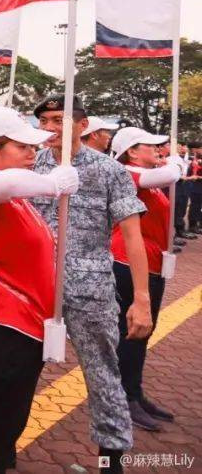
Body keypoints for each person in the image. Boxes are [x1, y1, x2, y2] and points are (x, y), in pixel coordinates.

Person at [0, 107, 79, 474]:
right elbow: (0, 185)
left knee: (7, 430)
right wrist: (53, 183)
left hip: (22, 330)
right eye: (22, 147)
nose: (32, 154)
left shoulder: (13, 194)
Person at [31, 95, 153, 474]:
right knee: (18, 371)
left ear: (82, 125)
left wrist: (142, 299)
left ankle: (109, 464)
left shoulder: (107, 170)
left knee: (103, 375)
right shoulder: (30, 164)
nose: (49, 128)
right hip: (36, 284)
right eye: (44, 121)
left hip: (89, 287)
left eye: (57, 120)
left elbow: (132, 236)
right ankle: (0, 450)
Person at [109, 127, 183, 432]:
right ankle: (124, 397)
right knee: (132, 332)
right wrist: (177, 163)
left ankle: (135, 392)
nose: (158, 149)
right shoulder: (126, 172)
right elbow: (170, 175)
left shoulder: (149, 178)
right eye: (148, 145)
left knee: (143, 332)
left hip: (152, 262)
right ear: (131, 152)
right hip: (128, 262)